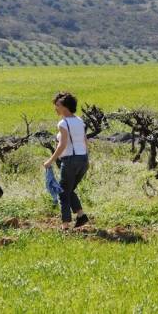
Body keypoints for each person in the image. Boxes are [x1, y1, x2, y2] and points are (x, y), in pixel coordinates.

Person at [43, 92, 90, 230]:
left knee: (63, 192)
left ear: (65, 107)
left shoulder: (63, 123)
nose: (55, 108)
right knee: (69, 190)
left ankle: (65, 226)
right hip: (83, 159)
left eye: (57, 105)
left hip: (70, 161)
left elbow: (62, 145)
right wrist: (86, 159)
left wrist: (50, 161)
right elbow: (85, 141)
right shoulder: (80, 121)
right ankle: (81, 216)